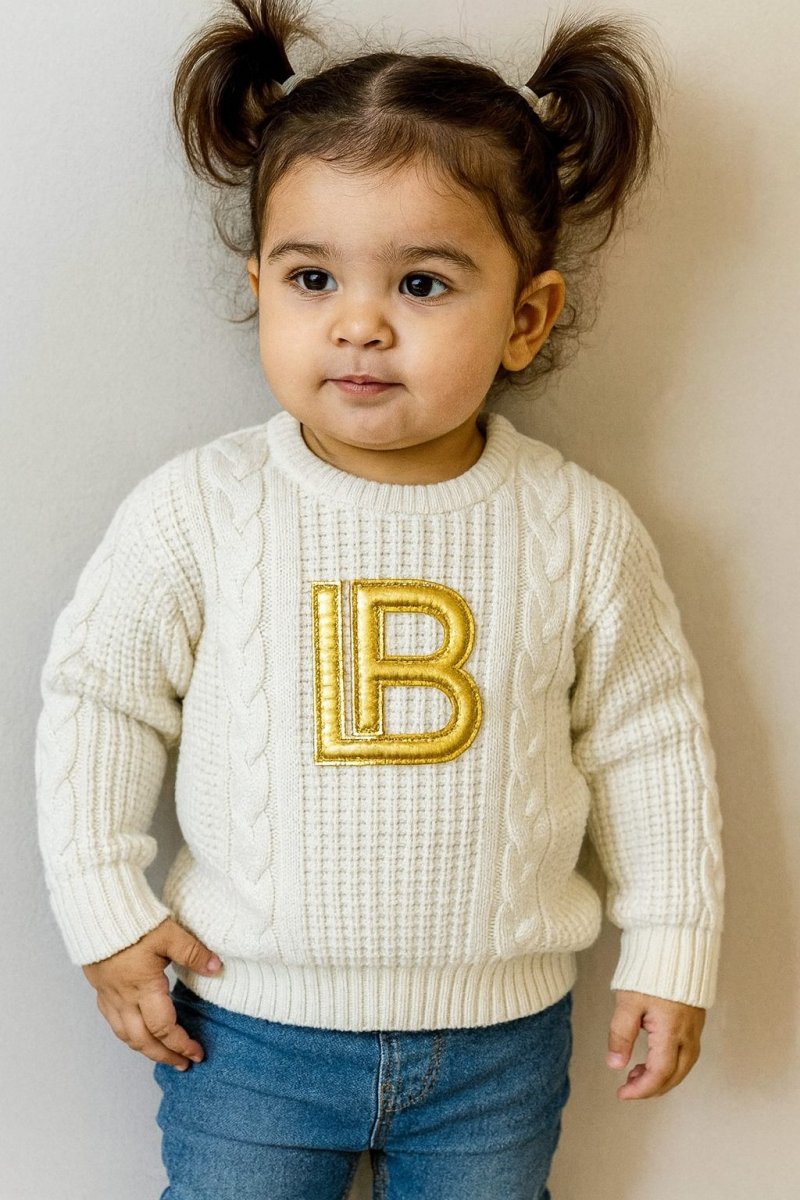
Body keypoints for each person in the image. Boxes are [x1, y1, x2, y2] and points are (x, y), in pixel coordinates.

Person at [34, 2, 725, 1197]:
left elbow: (647, 740)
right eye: (312, 277)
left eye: (420, 282)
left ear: (524, 318)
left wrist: (672, 944)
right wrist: (104, 910)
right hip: (246, 1029)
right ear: (261, 286)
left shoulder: (577, 528)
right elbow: (100, 700)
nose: (358, 323)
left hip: (497, 1046)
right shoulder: (198, 510)